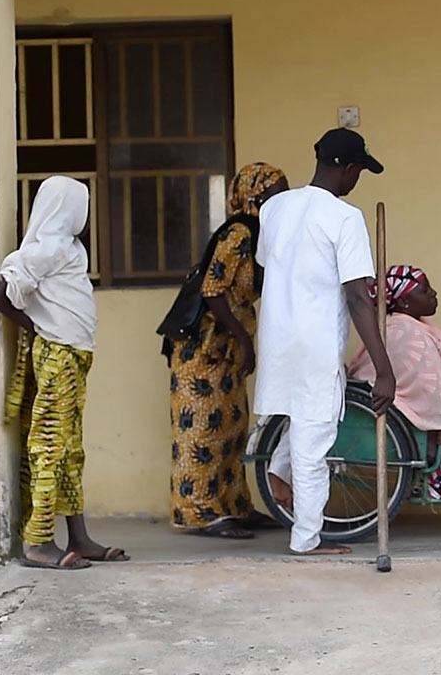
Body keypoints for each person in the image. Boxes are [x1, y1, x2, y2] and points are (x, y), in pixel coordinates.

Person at [255, 128, 396, 556]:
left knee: (302, 421)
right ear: (349, 170)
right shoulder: (344, 217)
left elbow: (265, 268)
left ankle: (279, 470)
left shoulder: (274, 208)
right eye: (359, 172)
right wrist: (384, 370)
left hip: (278, 339)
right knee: (315, 439)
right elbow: (357, 296)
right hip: (315, 343)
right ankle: (306, 539)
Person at [0, 176, 128, 569]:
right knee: (49, 445)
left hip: (74, 355)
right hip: (58, 354)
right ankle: (38, 542)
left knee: (70, 449)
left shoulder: (67, 248)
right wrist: (34, 327)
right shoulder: (46, 249)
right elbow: (1, 294)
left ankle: (79, 538)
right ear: (66, 207)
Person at [167, 163, 289, 539]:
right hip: (202, 351)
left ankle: (235, 507)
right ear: (253, 198)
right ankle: (201, 513)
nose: (282, 199)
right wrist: (244, 339)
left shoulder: (260, 234)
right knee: (200, 431)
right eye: (275, 193)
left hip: (228, 349)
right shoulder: (238, 233)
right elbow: (212, 291)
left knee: (231, 431)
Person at [348, 266, 441, 498]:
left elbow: (427, 374)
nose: (434, 294)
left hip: (397, 397)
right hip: (394, 406)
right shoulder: (411, 336)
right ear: (405, 303)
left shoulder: (400, 325)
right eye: (425, 291)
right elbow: (438, 396)